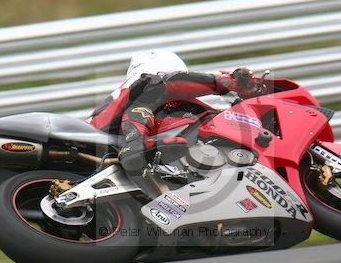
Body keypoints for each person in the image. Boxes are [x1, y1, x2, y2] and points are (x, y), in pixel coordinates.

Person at [89, 50, 257, 173]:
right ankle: (135, 144)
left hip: (112, 152)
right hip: (101, 144)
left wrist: (246, 104)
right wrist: (226, 82)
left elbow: (219, 120)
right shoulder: (147, 85)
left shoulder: (183, 103)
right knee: (151, 90)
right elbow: (168, 83)